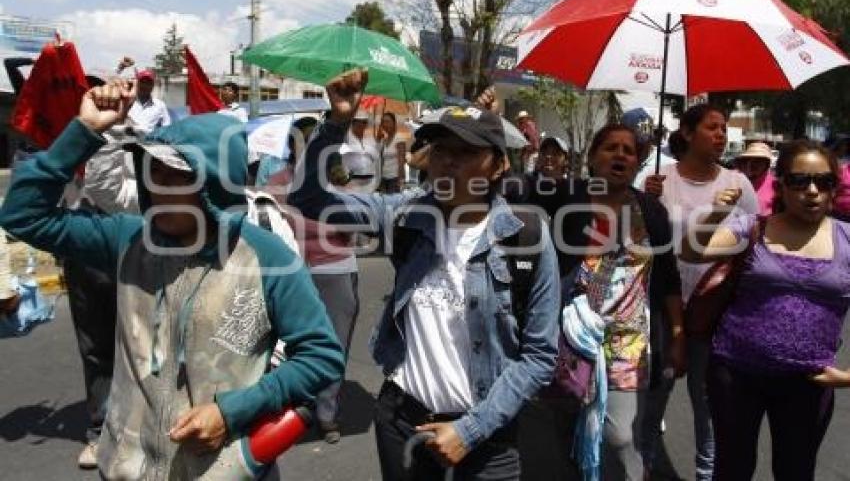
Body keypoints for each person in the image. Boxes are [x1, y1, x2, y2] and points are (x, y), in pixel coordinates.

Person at [0, 78, 344, 479]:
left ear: (213, 180)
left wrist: (231, 412)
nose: (160, 187)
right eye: (154, 172)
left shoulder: (267, 257)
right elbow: (23, 216)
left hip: (222, 470)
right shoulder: (128, 239)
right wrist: (85, 129)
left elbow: (322, 357)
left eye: (178, 176)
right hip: (127, 468)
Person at [288, 69, 560, 480]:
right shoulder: (404, 214)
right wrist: (336, 125)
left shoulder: (528, 237)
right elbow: (309, 199)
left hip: (488, 442)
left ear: (499, 166)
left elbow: (539, 357)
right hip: (401, 423)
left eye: (467, 151)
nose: (449, 161)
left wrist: (471, 430)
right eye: (440, 149)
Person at [682, 140, 850, 480]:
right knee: (732, 468)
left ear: (836, 187)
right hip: (735, 374)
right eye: (800, 181)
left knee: (796, 471)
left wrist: (848, 378)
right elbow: (693, 251)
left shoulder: (847, 239)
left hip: (808, 383)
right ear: (781, 184)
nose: (813, 191)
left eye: (824, 182)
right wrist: (715, 213)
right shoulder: (753, 228)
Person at [549, 124, 685, 480]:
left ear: (639, 161)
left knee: (621, 434)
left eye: (629, 150)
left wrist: (677, 333)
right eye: (611, 148)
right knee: (567, 422)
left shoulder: (651, 210)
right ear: (593, 158)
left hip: (629, 342)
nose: (621, 155)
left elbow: (669, 275)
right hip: (570, 338)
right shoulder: (567, 197)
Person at [641, 104, 758, 481]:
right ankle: (645, 465)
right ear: (688, 133)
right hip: (661, 305)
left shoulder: (738, 184)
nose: (722, 135)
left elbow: (752, 244)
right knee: (655, 393)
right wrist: (645, 198)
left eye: (724, 128)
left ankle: (706, 474)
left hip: (716, 311)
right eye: (712, 127)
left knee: (707, 402)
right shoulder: (658, 178)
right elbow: (634, 239)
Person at [257, 117, 361, 445]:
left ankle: (326, 413)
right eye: (303, 142)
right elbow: (269, 226)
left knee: (335, 344)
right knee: (288, 345)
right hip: (292, 274)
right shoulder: (276, 181)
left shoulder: (340, 182)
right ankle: (291, 406)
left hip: (337, 270)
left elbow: (353, 230)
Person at [733, 141, 776, 216]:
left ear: (766, 164)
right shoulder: (733, 178)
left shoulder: (775, 184)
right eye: (747, 160)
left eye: (758, 161)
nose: (751, 164)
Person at [340, 110, 379, 190]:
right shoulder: (346, 138)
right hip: (352, 180)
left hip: (370, 179)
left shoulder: (370, 139)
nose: (362, 125)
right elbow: (340, 155)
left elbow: (375, 158)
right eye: (360, 122)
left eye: (365, 122)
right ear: (353, 123)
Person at [376, 112, 406, 194]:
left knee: (392, 204)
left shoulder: (399, 138)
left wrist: (401, 179)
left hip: (395, 177)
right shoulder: (383, 140)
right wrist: (378, 139)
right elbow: (377, 156)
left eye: (388, 121)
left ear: (394, 123)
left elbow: (401, 160)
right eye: (383, 122)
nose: (385, 124)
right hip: (383, 177)